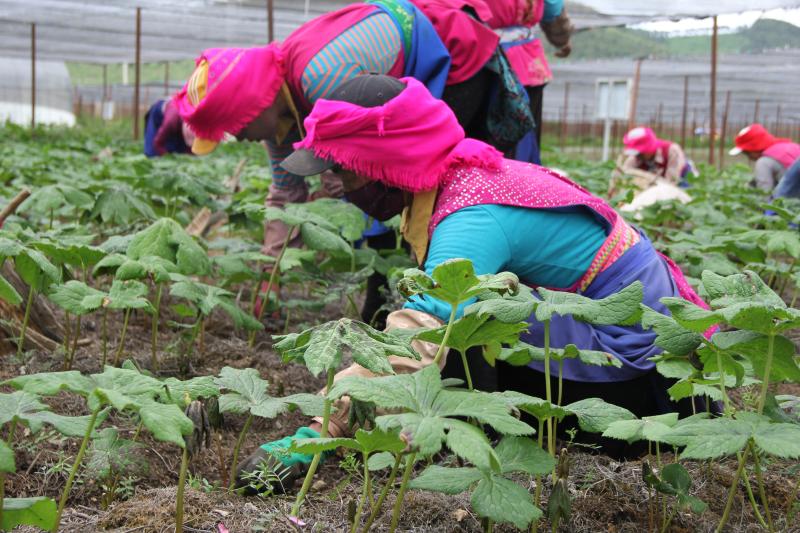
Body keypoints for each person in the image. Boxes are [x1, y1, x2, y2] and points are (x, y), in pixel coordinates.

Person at [234, 75, 710, 489]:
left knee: (458, 335)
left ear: (386, 162)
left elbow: (419, 333)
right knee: (471, 325)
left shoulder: (470, 219)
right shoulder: (464, 170)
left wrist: (319, 429)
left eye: (340, 169)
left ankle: (474, 435)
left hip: (642, 378)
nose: (332, 184)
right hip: (659, 348)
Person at [175, 0, 534, 324]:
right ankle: (396, 299)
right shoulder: (277, 113)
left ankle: (447, 303)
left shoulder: (323, 78)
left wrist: (343, 194)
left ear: (252, 105)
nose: (239, 138)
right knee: (377, 196)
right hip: (399, 75)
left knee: (437, 183)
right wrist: (271, 279)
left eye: (236, 128)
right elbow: (285, 195)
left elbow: (372, 166)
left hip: (452, 55)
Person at [485, 0, 574, 163]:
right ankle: (517, 183)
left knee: (478, 139)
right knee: (519, 143)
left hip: (473, 57)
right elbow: (552, 8)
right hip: (526, 63)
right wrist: (562, 39)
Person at [729, 123, 800, 193]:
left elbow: (764, 192)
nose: (749, 158)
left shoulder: (763, 162)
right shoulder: (789, 146)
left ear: (755, 147)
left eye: (747, 153)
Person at [618, 126, 694, 188]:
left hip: (681, 178)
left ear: (649, 148)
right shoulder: (636, 157)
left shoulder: (671, 150)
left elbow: (671, 182)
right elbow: (623, 173)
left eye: (640, 153)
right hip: (658, 181)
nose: (637, 155)